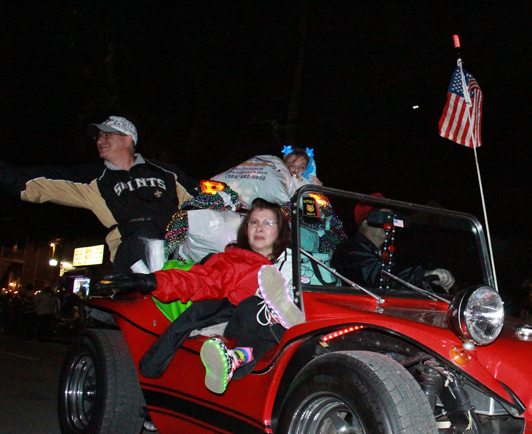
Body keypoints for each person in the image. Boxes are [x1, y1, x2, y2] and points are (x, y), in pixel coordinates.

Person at [96, 198, 304, 394]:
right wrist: (150, 281)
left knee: (271, 327)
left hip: (271, 336)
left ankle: (236, 358)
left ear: (280, 231)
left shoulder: (296, 262)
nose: (259, 228)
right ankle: (279, 314)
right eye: (253, 222)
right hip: (238, 319)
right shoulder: (234, 261)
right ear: (246, 229)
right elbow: (200, 280)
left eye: (268, 222)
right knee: (253, 305)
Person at [0, 116, 199, 272]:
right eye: (98, 137)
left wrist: (228, 192)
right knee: (149, 247)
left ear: (128, 138)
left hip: (178, 243)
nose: (99, 140)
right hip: (132, 249)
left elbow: (202, 193)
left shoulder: (166, 172)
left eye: (107, 135)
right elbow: (34, 181)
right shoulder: (93, 178)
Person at [331, 202, 454, 291]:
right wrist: (421, 275)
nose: (388, 224)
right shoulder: (349, 250)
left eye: (391, 219)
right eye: (383, 218)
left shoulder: (391, 253)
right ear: (364, 223)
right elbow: (377, 275)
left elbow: (398, 276)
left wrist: (429, 277)